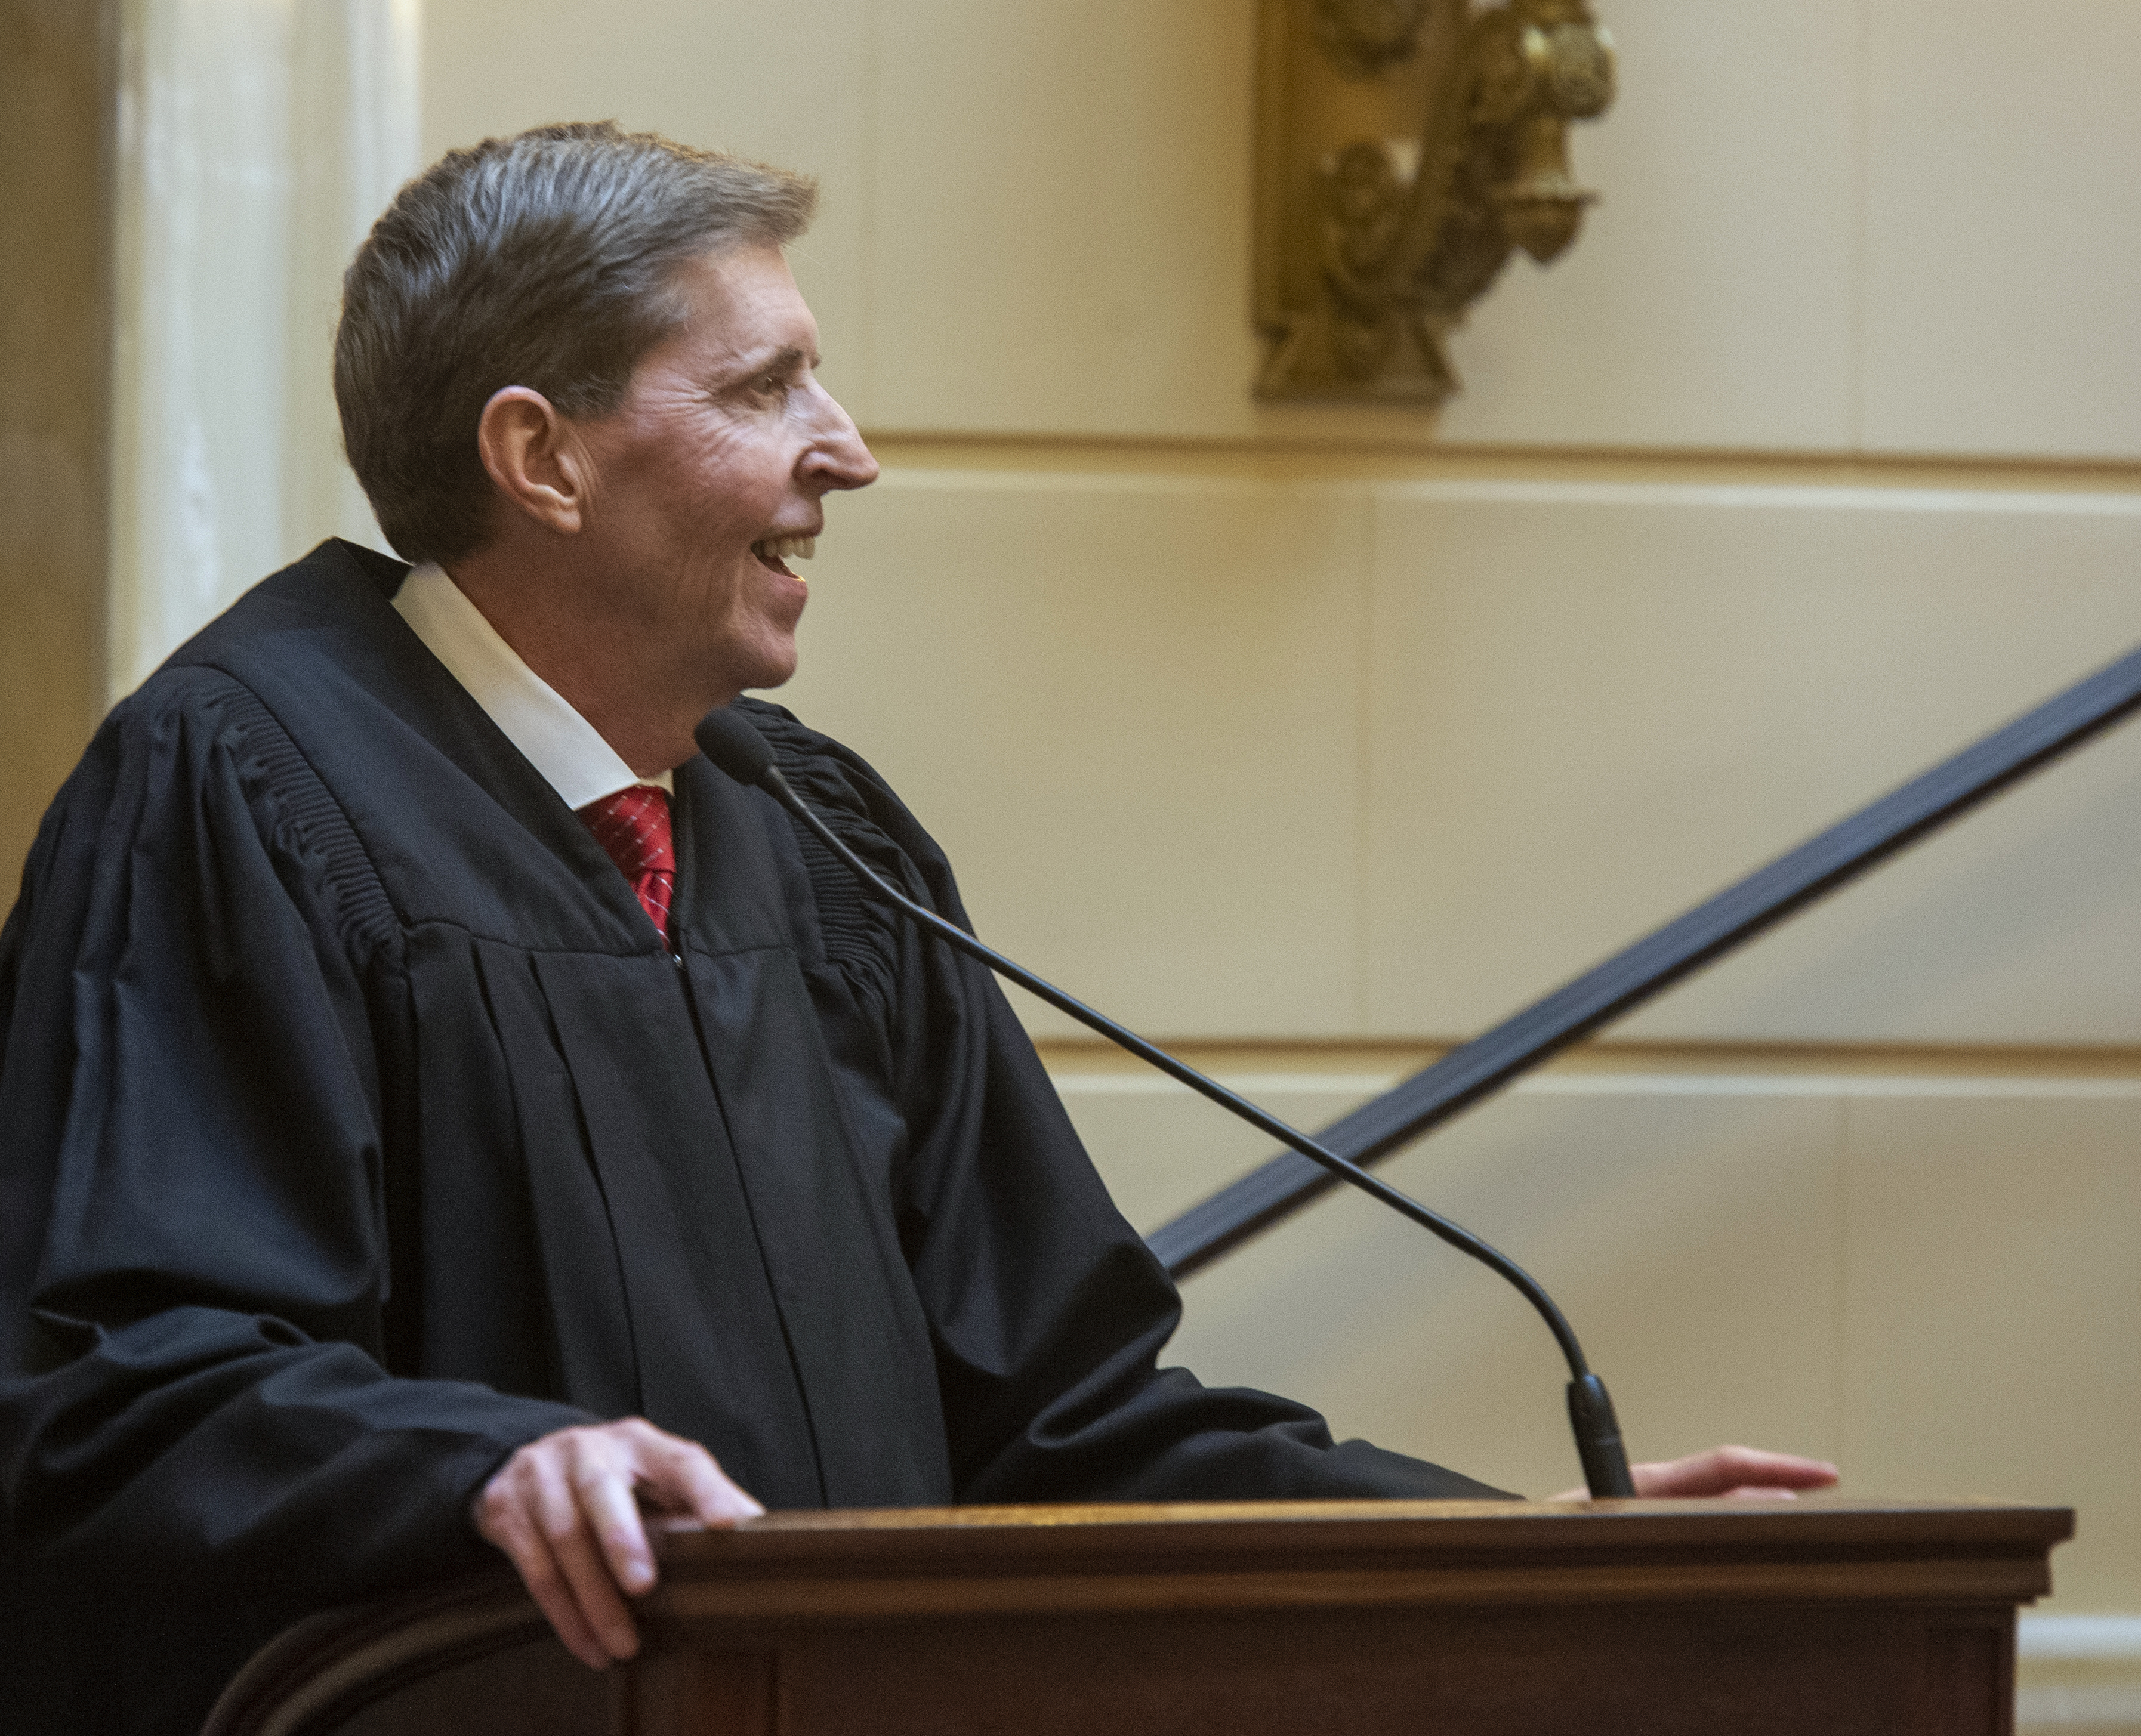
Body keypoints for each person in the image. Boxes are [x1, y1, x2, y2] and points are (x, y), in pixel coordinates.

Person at [0, 123, 1834, 1735]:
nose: (847, 451)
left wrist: (1518, 1563)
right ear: (539, 459)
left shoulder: (814, 841)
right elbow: (115, 1386)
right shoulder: (236, 796)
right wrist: (490, 1470)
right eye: (763, 390)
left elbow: (1065, 1426)